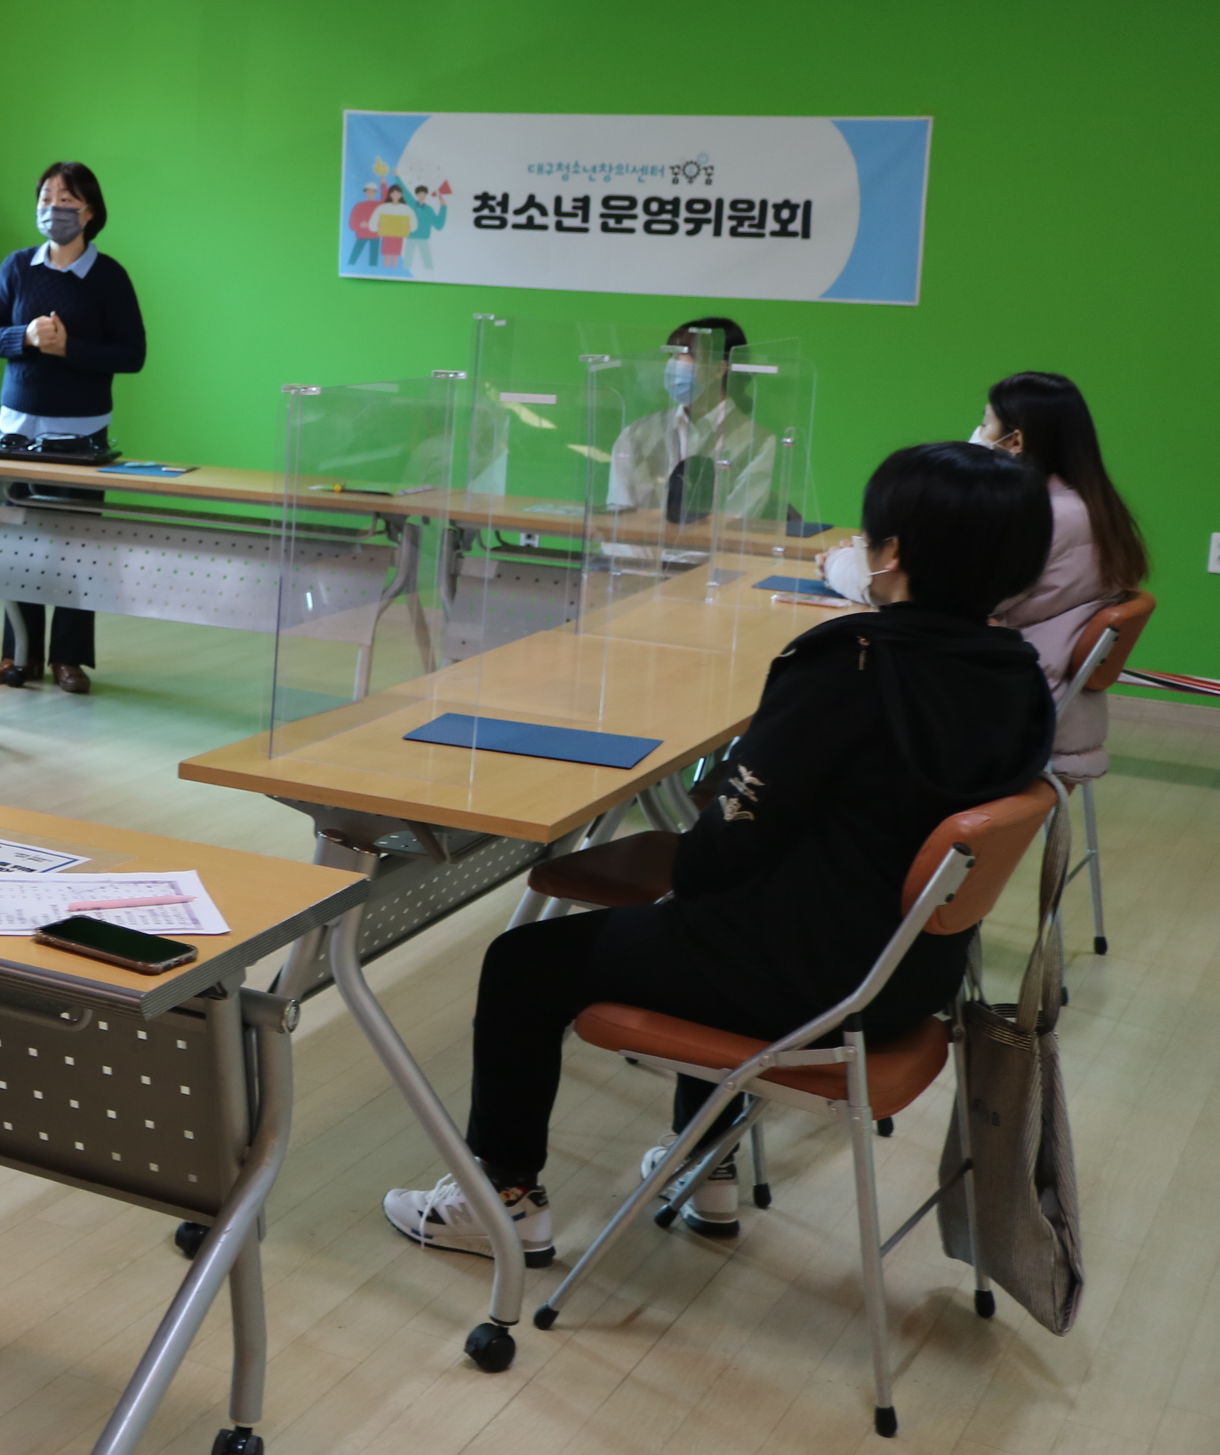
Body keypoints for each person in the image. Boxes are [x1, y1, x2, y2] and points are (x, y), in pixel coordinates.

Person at [383, 442, 1055, 1262]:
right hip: (906, 980)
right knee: (719, 916)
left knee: (526, 961)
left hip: (804, 983)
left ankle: (501, 1203)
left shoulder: (849, 666)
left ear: (892, 552)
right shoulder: (1019, 678)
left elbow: (720, 853)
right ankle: (705, 1166)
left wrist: (688, 870)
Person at [824, 372, 1149, 777]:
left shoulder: (1041, 518)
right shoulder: (1093, 506)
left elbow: (932, 595)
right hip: (1046, 699)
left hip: (999, 712)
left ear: (1015, 440)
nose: (977, 434)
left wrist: (841, 565)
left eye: (985, 423)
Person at [0, 161, 145, 695]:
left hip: (82, 433)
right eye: (45, 198)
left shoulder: (109, 275)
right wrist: (24, 336)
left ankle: (69, 658)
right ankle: (19, 655)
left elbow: (132, 355)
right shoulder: (17, 267)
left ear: (89, 212)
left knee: (75, 546)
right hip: (19, 430)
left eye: (65, 200)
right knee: (17, 544)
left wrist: (70, 347)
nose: (53, 209)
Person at [604, 314, 779, 529]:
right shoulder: (638, 433)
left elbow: (735, 522)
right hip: (640, 549)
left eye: (683, 356)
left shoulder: (757, 442)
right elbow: (620, 515)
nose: (672, 365)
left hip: (713, 550)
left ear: (719, 369)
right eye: (671, 356)